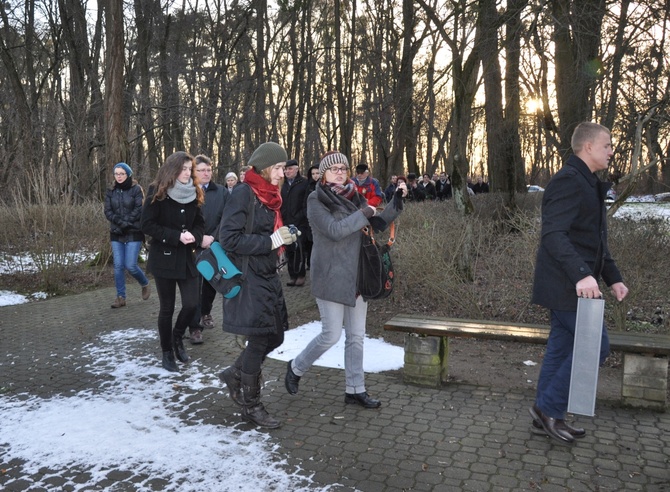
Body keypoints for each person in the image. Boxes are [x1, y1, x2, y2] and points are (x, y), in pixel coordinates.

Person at [529, 122, 629, 444]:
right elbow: (553, 235)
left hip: (572, 285)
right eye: (607, 146)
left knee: (562, 347)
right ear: (588, 147)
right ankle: (550, 410)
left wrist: (613, 278)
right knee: (595, 346)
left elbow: (594, 240)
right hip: (567, 285)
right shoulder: (568, 181)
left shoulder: (588, 182)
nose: (611, 151)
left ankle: (543, 411)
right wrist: (583, 274)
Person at [284, 151, 407, 409]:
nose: (340, 172)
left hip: (357, 274)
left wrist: (396, 200)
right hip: (330, 274)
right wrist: (364, 211)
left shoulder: (355, 195)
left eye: (343, 168)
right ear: (324, 173)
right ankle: (296, 367)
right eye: (334, 169)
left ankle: (355, 389)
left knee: (356, 336)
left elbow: (378, 223)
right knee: (330, 334)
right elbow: (335, 230)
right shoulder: (316, 199)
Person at [218, 142, 298, 428]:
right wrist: (271, 242)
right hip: (249, 276)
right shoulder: (243, 193)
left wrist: (284, 236)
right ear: (264, 167)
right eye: (277, 168)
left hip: (268, 273)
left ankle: (234, 373)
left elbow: (267, 229)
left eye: (283, 168)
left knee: (276, 335)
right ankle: (251, 405)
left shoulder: (271, 195)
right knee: (261, 338)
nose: (282, 173)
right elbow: (228, 238)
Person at [141, 151, 205, 372]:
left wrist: (194, 237)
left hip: (187, 258)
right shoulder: (156, 191)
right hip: (164, 258)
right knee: (166, 308)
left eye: (190, 169)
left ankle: (177, 337)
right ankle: (167, 351)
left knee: (191, 303)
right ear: (172, 169)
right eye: (183, 169)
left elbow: (200, 223)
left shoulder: (194, 192)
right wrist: (175, 236)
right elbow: (147, 225)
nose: (187, 173)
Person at [187, 155, 227, 344]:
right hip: (192, 246)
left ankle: (206, 313)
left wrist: (213, 238)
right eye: (201, 170)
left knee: (211, 282)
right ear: (194, 172)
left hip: (215, 245)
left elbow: (227, 219)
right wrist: (199, 238)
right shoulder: (187, 191)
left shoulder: (221, 192)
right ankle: (194, 327)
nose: (206, 173)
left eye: (209, 170)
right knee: (194, 286)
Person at [104, 162, 151, 309]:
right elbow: (108, 211)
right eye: (116, 174)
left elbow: (139, 208)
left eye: (122, 173)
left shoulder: (136, 189)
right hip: (117, 232)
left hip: (133, 231)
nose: (119, 176)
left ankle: (144, 283)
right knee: (118, 265)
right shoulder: (110, 190)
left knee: (130, 265)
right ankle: (120, 297)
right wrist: (119, 222)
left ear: (128, 174)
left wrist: (127, 222)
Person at [281, 159, 309, 287]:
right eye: (285, 169)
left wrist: (301, 216)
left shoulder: (303, 183)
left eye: (290, 169)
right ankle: (292, 275)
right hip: (286, 222)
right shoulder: (283, 184)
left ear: (296, 169)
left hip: (300, 222)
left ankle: (301, 274)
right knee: (289, 250)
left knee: (300, 249)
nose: (287, 171)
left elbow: (306, 202)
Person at [303, 165, 320, 270]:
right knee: (310, 243)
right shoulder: (308, 185)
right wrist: (307, 215)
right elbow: (304, 202)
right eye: (313, 174)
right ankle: (310, 263)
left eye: (317, 173)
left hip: (322, 219)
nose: (315, 176)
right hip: (309, 220)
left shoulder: (325, 186)